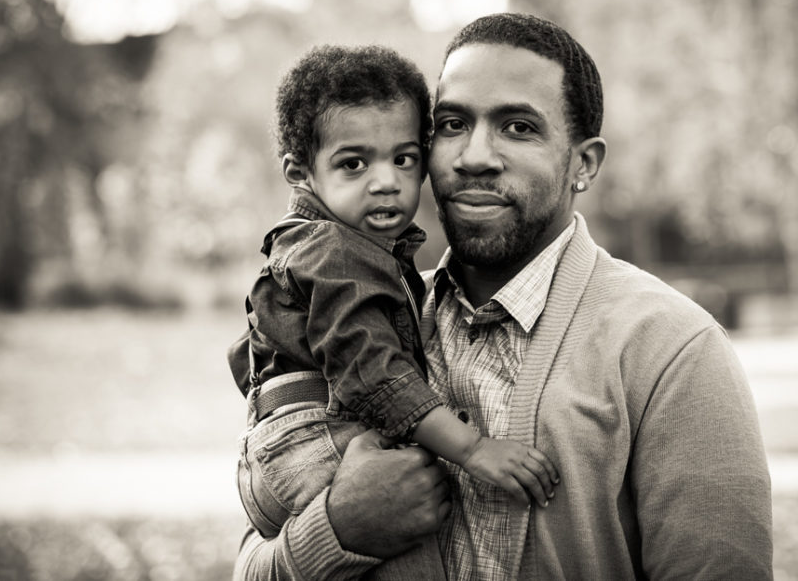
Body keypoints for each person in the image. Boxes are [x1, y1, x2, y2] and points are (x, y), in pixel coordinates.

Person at [234, 14, 773, 580]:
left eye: (518, 127)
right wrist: (340, 529)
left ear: (582, 164)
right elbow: (251, 564)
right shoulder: (368, 313)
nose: (474, 156)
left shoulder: (671, 347)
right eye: (452, 124)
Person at [228, 44, 558, 580]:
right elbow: (373, 376)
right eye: (353, 163)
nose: (386, 181)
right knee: (414, 552)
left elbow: (250, 357)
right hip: (314, 443)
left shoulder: (326, 250)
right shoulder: (335, 252)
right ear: (299, 171)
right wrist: (473, 449)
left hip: (276, 450)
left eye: (403, 158)